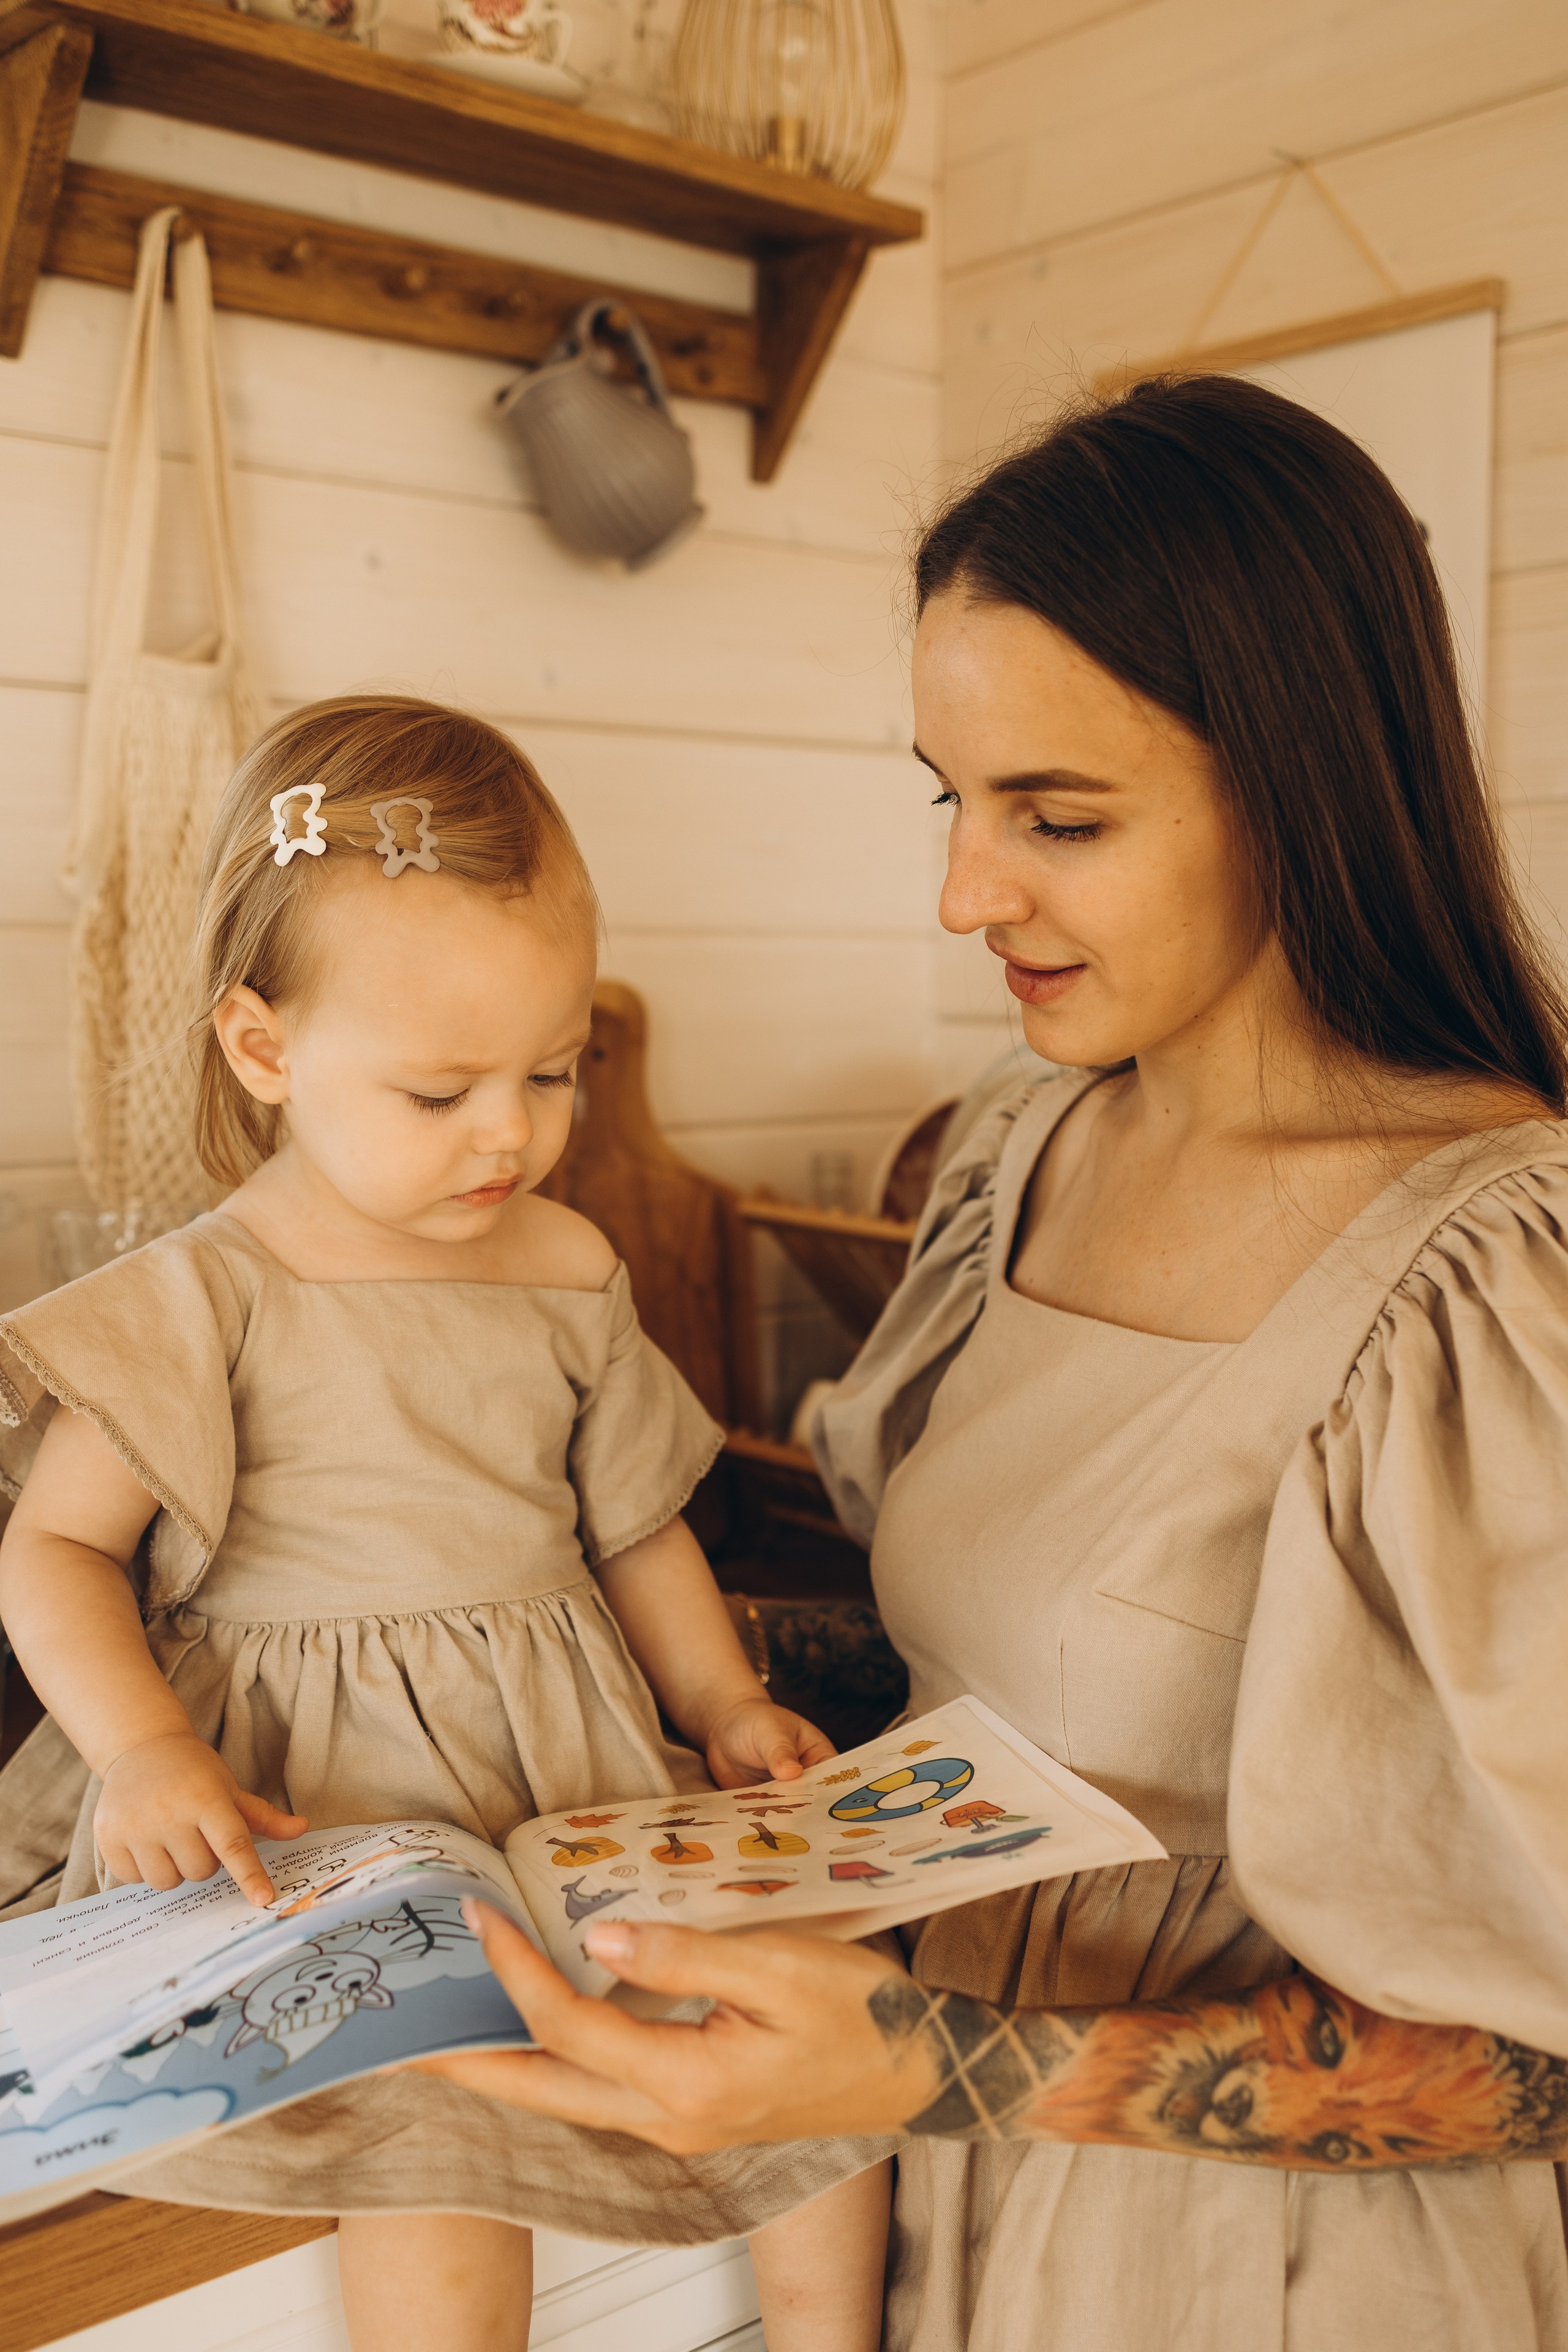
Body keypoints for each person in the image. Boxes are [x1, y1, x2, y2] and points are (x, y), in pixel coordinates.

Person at [409, 377, 1568, 2351]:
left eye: (1062, 817)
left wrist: (946, 2065)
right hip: (932, 2190)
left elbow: (1538, 2068)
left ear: (1304, 780)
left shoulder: (1497, 1279)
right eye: (954, 797)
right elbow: (990, 1676)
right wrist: (515, 1691)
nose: (965, 895)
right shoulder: (1027, 1148)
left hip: (1272, 2280)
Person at [0, 696, 892, 2352]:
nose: (513, 1132)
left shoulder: (565, 1271)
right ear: (264, 1050)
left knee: (800, 2030)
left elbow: (634, 1532)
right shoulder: (208, 1295)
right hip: (309, 1807)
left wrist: (723, 1704)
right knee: (439, 2141)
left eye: (553, 1073)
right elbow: (51, 1552)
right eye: (441, 1092)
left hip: (569, 1775)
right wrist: (137, 1753)